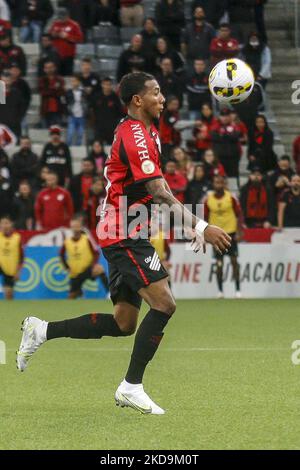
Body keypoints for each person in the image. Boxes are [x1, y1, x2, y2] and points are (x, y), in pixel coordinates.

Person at [17, 71, 231, 415]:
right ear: (137, 100)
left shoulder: (146, 131)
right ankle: (131, 386)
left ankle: (41, 330)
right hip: (122, 232)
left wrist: (187, 227)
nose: (162, 98)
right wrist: (201, 225)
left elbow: (145, 194)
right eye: (156, 93)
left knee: (124, 323)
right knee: (164, 304)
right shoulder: (136, 136)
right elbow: (158, 191)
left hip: (129, 227)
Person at [203, 175, 243, 299]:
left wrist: (239, 231)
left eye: (221, 182)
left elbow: (239, 214)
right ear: (213, 184)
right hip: (216, 235)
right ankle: (220, 291)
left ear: (224, 184)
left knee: (234, 262)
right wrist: (204, 234)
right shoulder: (208, 199)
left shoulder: (231, 198)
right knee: (219, 264)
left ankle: (238, 290)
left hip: (230, 233)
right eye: (216, 182)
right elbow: (204, 218)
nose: (219, 184)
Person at [60, 215, 109, 299]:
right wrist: (66, 267)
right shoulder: (67, 242)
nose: (75, 229)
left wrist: (94, 265)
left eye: (77, 226)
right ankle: (79, 292)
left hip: (88, 269)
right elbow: (61, 254)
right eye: (73, 227)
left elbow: (96, 253)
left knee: (99, 269)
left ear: (81, 227)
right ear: (71, 228)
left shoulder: (87, 239)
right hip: (75, 273)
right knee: (71, 297)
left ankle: (110, 293)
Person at [49, 7, 83, 76]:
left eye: (62, 17)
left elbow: (80, 39)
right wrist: (53, 35)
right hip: (56, 55)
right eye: (59, 17)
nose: (60, 19)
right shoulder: (55, 24)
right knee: (57, 75)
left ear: (67, 16)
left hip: (69, 56)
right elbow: (49, 36)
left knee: (68, 75)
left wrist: (67, 36)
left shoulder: (74, 25)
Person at [90, 77, 124, 145]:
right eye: (105, 84)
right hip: (99, 127)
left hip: (112, 127)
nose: (107, 86)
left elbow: (120, 112)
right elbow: (91, 109)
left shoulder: (115, 97)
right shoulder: (97, 96)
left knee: (112, 147)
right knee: (98, 145)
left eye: (109, 84)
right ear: (102, 85)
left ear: (111, 85)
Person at [0, 215, 23, 300]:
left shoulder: (17, 238)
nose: (4, 225)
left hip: (9, 268)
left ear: (11, 224)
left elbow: (21, 257)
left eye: (6, 223)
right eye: (2, 223)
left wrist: (18, 271)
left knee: (9, 294)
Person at [39, 60, 65, 128]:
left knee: (58, 131)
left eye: (51, 67)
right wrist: (54, 89)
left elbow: (61, 92)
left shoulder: (60, 80)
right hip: (45, 109)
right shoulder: (42, 80)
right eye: (47, 68)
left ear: (54, 68)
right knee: (45, 133)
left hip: (57, 109)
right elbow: (43, 92)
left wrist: (50, 89)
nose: (49, 69)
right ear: (44, 69)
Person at [66, 74, 87, 146]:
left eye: (75, 81)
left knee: (80, 134)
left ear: (78, 82)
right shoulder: (68, 92)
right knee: (70, 133)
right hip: (72, 116)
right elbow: (67, 103)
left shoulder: (83, 92)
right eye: (72, 81)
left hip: (81, 116)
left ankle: (78, 147)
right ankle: (68, 147)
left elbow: (86, 103)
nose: (74, 83)